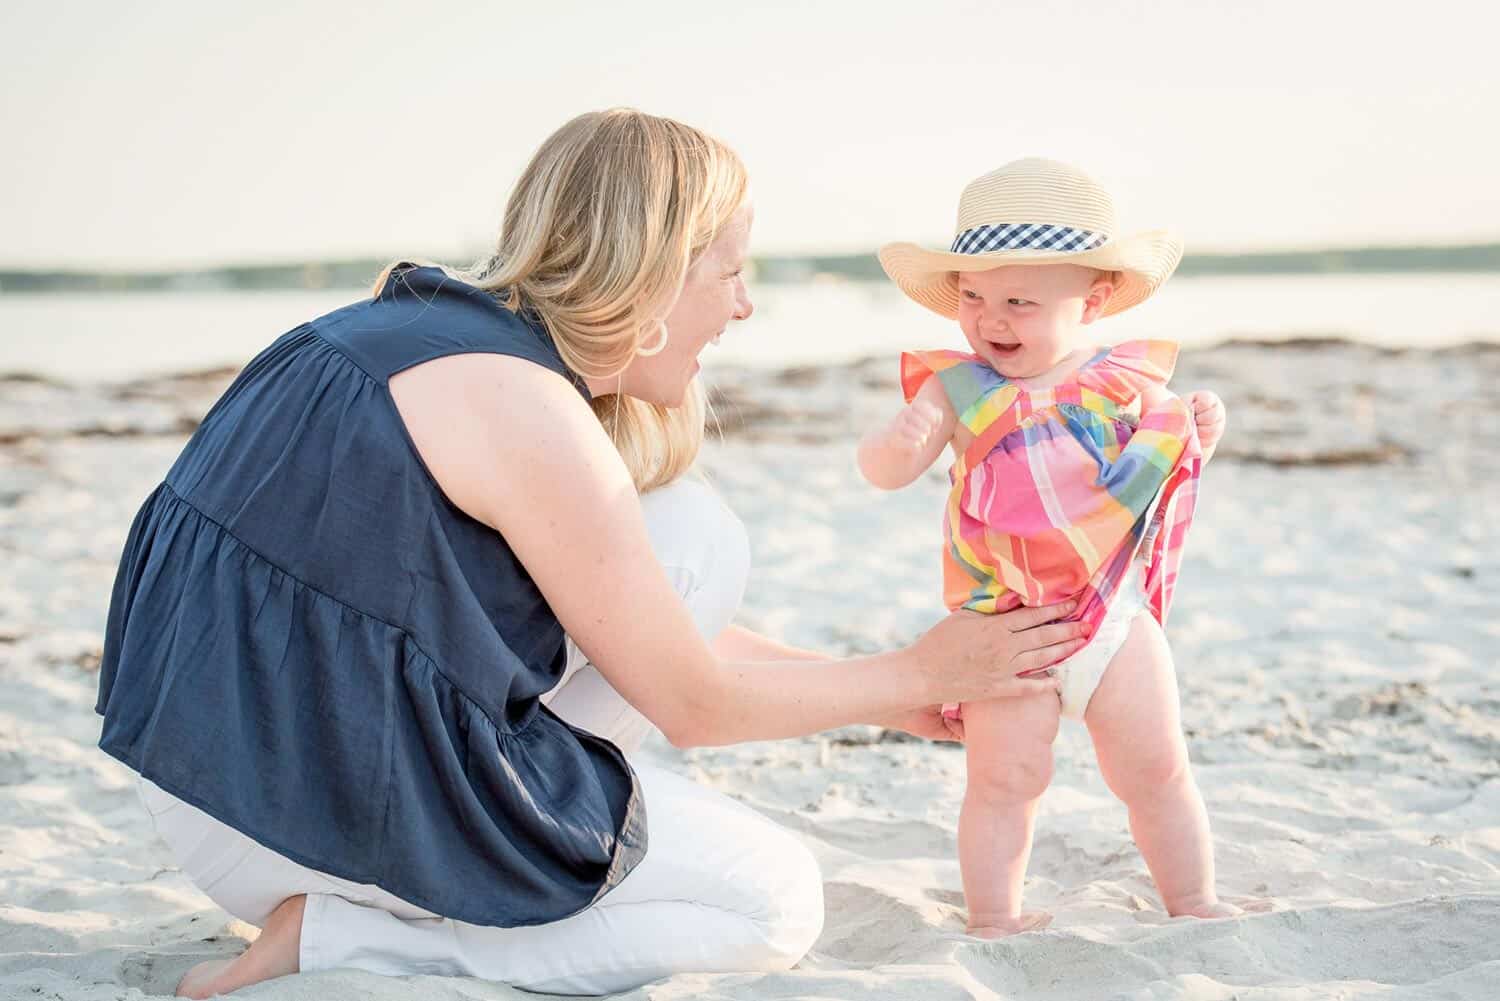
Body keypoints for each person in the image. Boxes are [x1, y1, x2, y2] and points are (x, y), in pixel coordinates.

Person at [95, 111, 1095, 998]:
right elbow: (694, 704)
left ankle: (450, 872)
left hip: (214, 769)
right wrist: (923, 667)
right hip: (293, 804)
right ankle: (348, 937)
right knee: (773, 902)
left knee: (689, 533)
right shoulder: (524, 408)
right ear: (656, 271)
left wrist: (882, 691)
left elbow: (633, 621)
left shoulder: (410, 334)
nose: (744, 307)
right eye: (730, 272)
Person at [860, 158, 1234, 937]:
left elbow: (1175, 444)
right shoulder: (957, 387)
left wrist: (1205, 420)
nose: (991, 319)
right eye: (973, 297)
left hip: (1109, 618)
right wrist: (896, 442)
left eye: (1018, 301)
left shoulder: (1122, 378)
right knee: (1004, 782)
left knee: (1156, 770)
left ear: (1093, 299)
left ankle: (1194, 900)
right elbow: (890, 470)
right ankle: (994, 916)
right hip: (1004, 631)